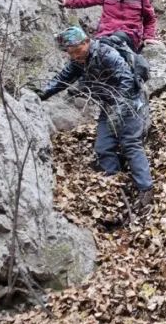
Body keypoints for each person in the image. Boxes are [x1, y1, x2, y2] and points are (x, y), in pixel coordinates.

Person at [35, 26, 154, 211]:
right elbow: (63, 78)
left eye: (77, 51)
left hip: (131, 103)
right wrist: (42, 94)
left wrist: (119, 111)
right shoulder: (80, 61)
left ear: (86, 42)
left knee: (130, 143)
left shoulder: (107, 54)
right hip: (108, 106)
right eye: (70, 53)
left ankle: (146, 190)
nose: (74, 56)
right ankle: (114, 186)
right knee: (103, 147)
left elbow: (127, 82)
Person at [57, 0, 157, 53]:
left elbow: (150, 19)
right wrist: (67, 2)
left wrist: (148, 37)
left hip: (128, 38)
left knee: (115, 39)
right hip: (104, 36)